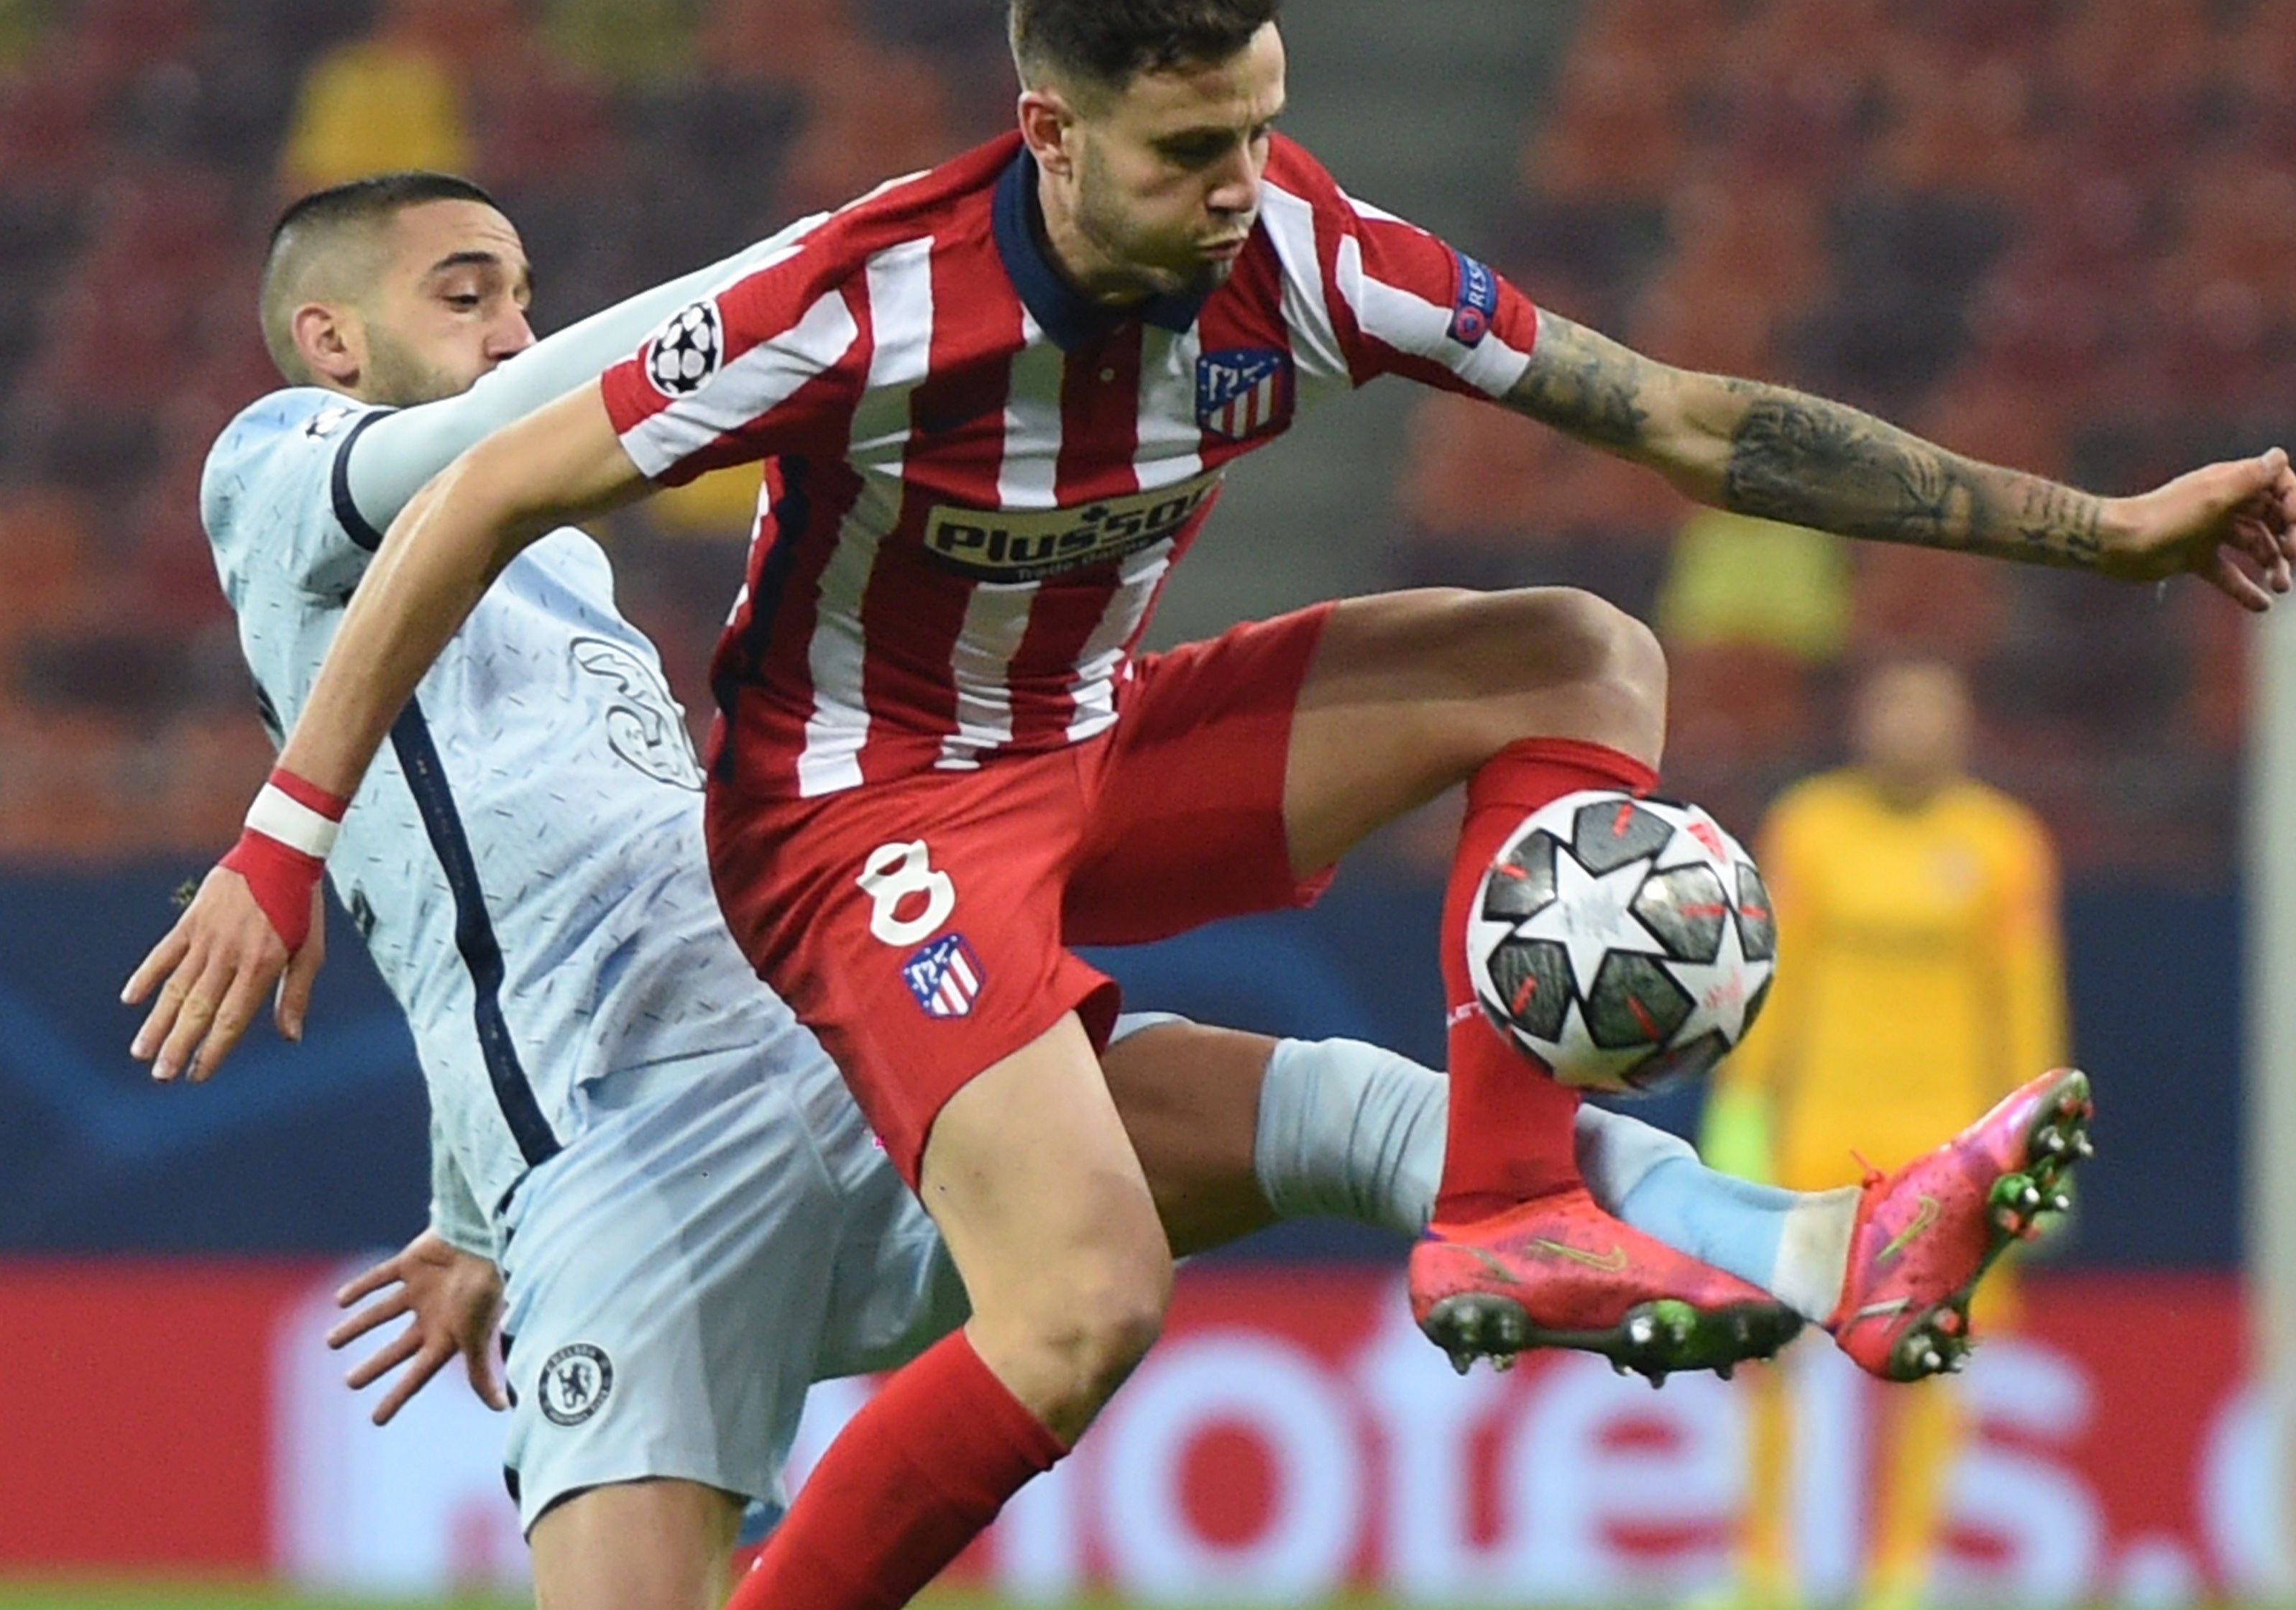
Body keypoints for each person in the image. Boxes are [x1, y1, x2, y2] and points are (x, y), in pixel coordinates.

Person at [127, 0, 2294, 1610]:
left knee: (1572, 654)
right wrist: (278, 841)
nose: (1243, 185)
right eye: (1193, 150)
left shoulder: (1309, 255)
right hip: (866, 830)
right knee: (1084, 1297)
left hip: (1066, 773)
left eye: (1262, 126)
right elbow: (480, 492)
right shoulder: (846, 303)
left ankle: (1562, 1211)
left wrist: (2096, 532)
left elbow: (1692, 420)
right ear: (1053, 133)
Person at [160, 169, 1918, 1610]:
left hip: (828, 1051)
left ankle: (1793, 1237)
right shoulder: (281, 468)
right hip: (631, 1162)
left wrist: (462, 1213)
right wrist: (799, 280)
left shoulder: (552, 554)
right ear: (330, 338)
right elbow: (449, 869)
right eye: (467, 295)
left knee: (1309, 1114)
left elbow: (463, 896)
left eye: (524, 293)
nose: (515, 330)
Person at [1702, 659, 2075, 1610]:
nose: (1910, 729)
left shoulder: (2004, 843)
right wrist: (1741, 1108)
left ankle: (1900, 1576)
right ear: (1864, 722)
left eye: (1928, 712)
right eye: (1894, 709)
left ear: (1961, 728)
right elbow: (1771, 979)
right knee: (1767, 1345)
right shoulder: (1809, 826)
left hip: (1946, 1146)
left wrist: (2043, 1137)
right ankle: (1763, 1567)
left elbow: (2024, 1003)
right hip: (1816, 1129)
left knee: (1929, 1359)